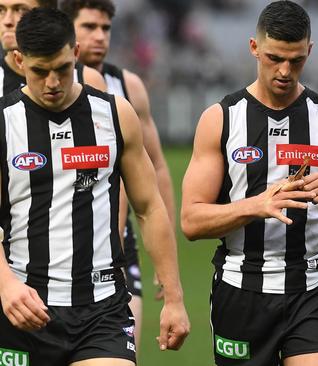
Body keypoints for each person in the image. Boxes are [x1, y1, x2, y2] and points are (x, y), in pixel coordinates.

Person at [180, 1, 318, 365]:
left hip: (314, 290)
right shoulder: (221, 119)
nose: (285, 71)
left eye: (296, 60)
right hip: (242, 291)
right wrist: (256, 205)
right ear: (254, 48)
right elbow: (191, 222)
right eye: (274, 58)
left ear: (309, 52)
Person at [0, 7, 189, 366]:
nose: (53, 82)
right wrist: (6, 285)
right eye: (40, 71)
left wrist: (174, 298)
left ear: (75, 54)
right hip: (24, 305)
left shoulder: (115, 114)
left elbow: (148, 208)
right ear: (20, 60)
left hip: (102, 308)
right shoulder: (4, 122)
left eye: (62, 69)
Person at [60, 0, 177, 350]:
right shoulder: (33, 86)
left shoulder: (129, 85)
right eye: (89, 27)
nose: (100, 37)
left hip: (117, 246)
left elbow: (155, 166)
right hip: (51, 245)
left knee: (123, 349)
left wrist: (164, 260)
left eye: (106, 28)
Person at [0, 0, 107, 94]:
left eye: (21, 9)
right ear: (19, 60)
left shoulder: (88, 79)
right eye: (1, 10)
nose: (7, 21)